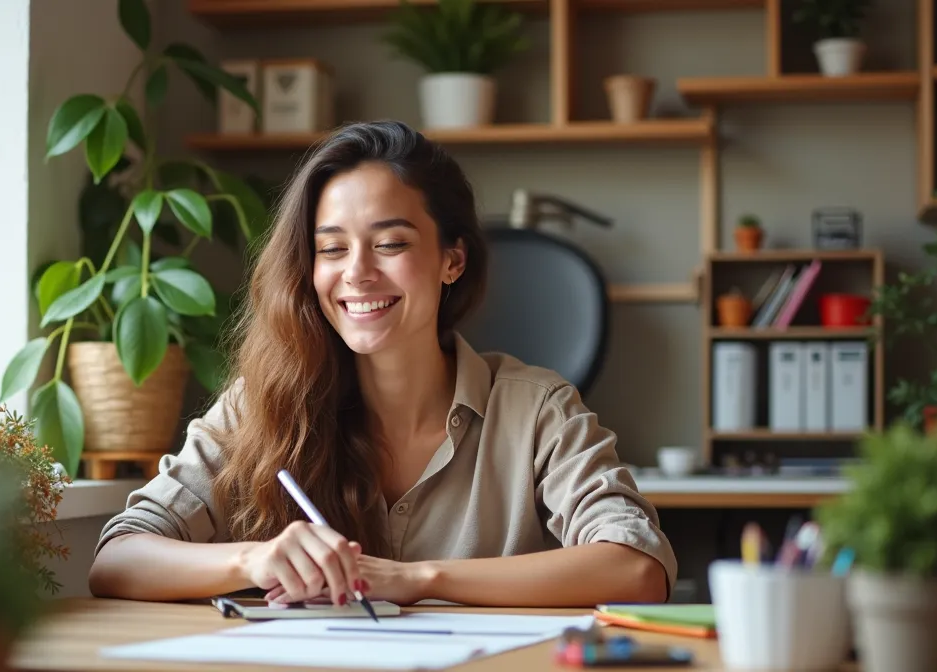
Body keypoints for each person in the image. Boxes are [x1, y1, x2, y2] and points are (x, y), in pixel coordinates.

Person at [89, 120, 677, 608]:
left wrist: (420, 578)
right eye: (331, 248)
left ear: (452, 260)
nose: (357, 273)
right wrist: (254, 558)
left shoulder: (536, 409)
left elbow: (637, 568)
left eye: (390, 244)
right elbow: (118, 559)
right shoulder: (262, 402)